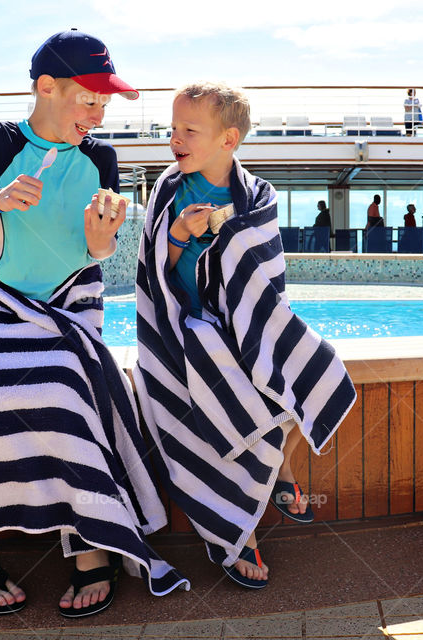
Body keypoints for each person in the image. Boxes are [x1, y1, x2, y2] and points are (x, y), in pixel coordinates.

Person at [0, 29, 188, 618]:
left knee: (70, 391)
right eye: (90, 99)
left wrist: (103, 241)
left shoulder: (101, 158)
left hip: (73, 303)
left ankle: (89, 540)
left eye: (105, 103)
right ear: (46, 87)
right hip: (2, 303)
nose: (99, 113)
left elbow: (93, 254)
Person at [134, 82, 356, 590]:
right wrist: (180, 237)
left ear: (228, 139)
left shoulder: (257, 198)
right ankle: (240, 531)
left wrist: (224, 251)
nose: (175, 139)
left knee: (316, 370)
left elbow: (265, 284)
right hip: (185, 329)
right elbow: (156, 274)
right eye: (173, 129)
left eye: (189, 130)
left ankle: (281, 468)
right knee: (226, 404)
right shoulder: (167, 192)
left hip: (242, 327)